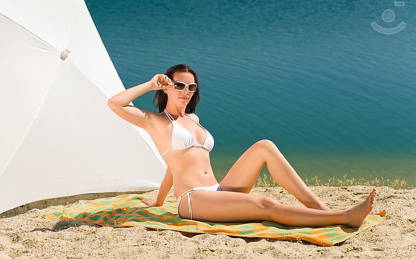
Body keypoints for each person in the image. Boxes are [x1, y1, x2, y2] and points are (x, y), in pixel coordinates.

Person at [107, 64, 377, 227]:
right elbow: (114, 103)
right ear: (166, 87)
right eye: (179, 85)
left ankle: (321, 210)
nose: (186, 91)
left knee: (264, 146)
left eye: (191, 87)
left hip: (218, 190)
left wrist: (159, 200)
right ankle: (343, 217)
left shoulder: (194, 119)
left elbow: (174, 166)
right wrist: (150, 83)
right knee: (263, 203)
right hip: (193, 200)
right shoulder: (156, 121)